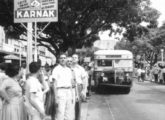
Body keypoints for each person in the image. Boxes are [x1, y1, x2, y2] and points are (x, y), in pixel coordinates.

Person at [52, 54, 73, 120]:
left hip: (69, 91)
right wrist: (55, 98)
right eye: (61, 58)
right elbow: (54, 84)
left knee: (68, 113)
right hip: (60, 91)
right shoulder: (56, 69)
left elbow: (71, 83)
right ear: (59, 60)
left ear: (66, 59)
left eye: (64, 58)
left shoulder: (68, 70)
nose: (63, 59)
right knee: (60, 112)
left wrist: (72, 94)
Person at [72, 54, 86, 120]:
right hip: (71, 87)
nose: (74, 58)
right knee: (70, 104)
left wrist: (84, 90)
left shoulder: (81, 69)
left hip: (78, 87)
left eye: (76, 57)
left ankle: (77, 118)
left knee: (78, 105)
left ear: (78, 59)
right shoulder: (68, 68)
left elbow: (84, 80)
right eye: (73, 57)